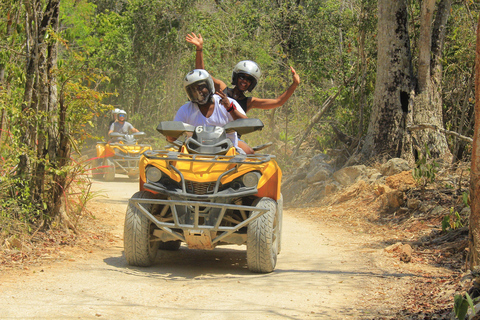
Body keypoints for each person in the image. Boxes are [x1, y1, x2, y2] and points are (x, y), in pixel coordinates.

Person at [185, 32, 300, 153]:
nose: (244, 81)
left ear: (252, 83)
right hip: (207, 133)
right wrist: (199, 49)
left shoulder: (249, 102)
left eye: (249, 79)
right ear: (236, 77)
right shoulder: (222, 88)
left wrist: (294, 84)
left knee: (250, 152)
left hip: (230, 138)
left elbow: (278, 102)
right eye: (242, 77)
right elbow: (202, 74)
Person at [168, 69, 247, 154]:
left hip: (228, 155)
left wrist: (230, 108)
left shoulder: (228, 103)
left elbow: (246, 124)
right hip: (193, 157)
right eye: (193, 90)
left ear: (209, 85)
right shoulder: (185, 110)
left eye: (201, 87)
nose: (199, 92)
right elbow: (171, 138)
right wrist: (171, 132)